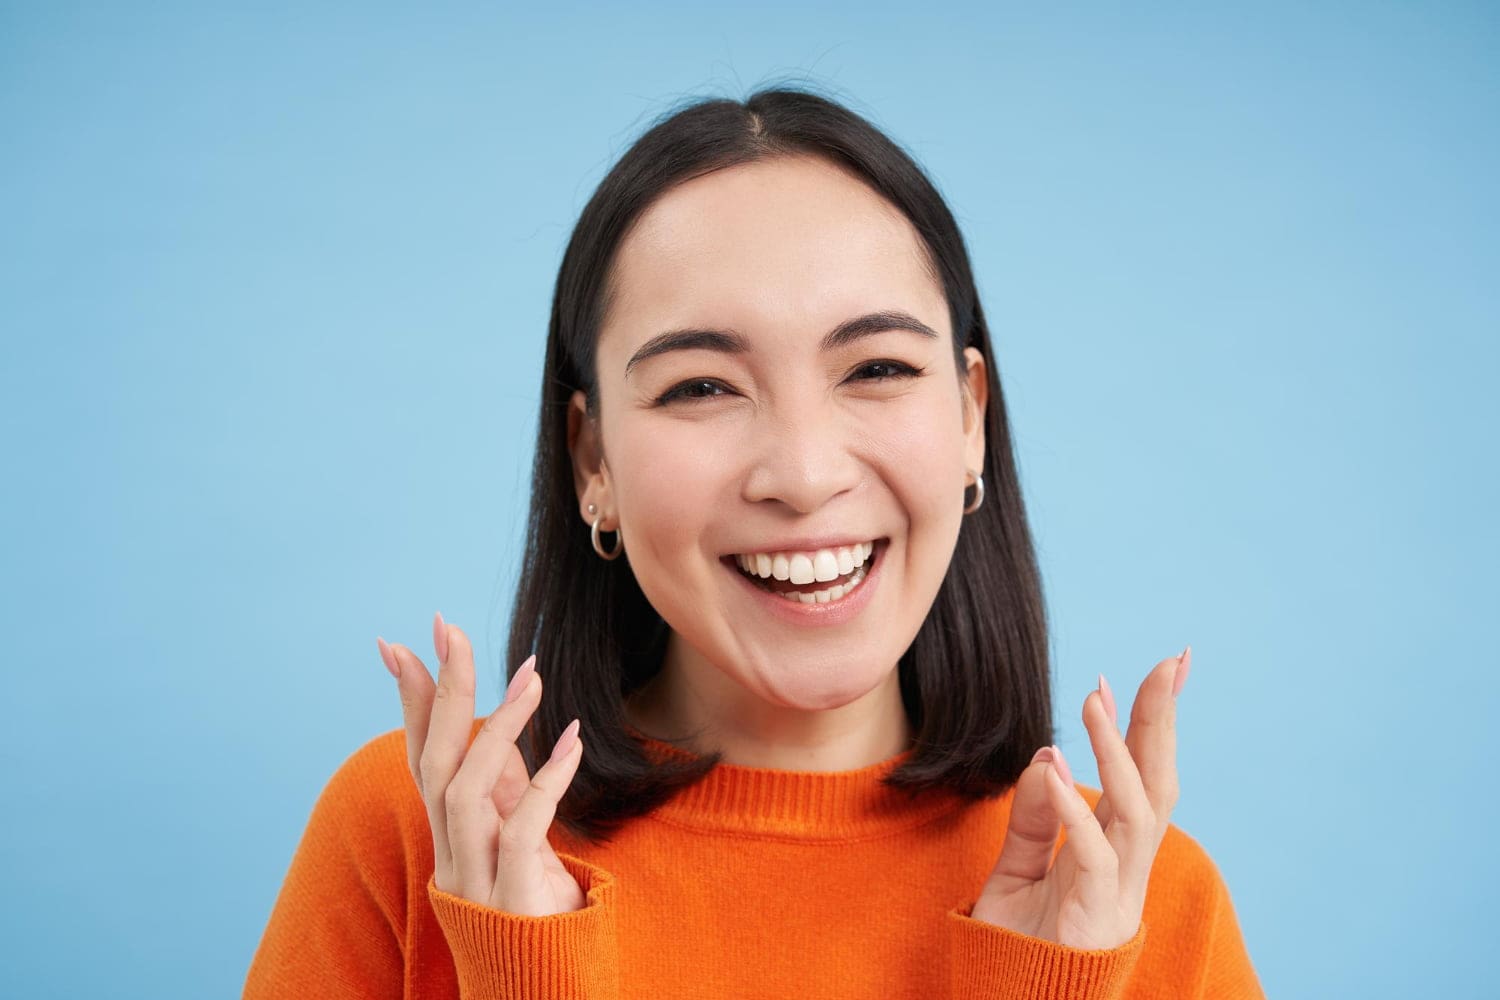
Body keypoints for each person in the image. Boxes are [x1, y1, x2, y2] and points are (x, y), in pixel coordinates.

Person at [244, 86, 1265, 999]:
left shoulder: (1135, 900)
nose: (805, 472)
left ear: (969, 416)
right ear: (590, 456)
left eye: (876, 369)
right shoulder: (422, 834)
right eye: (701, 386)